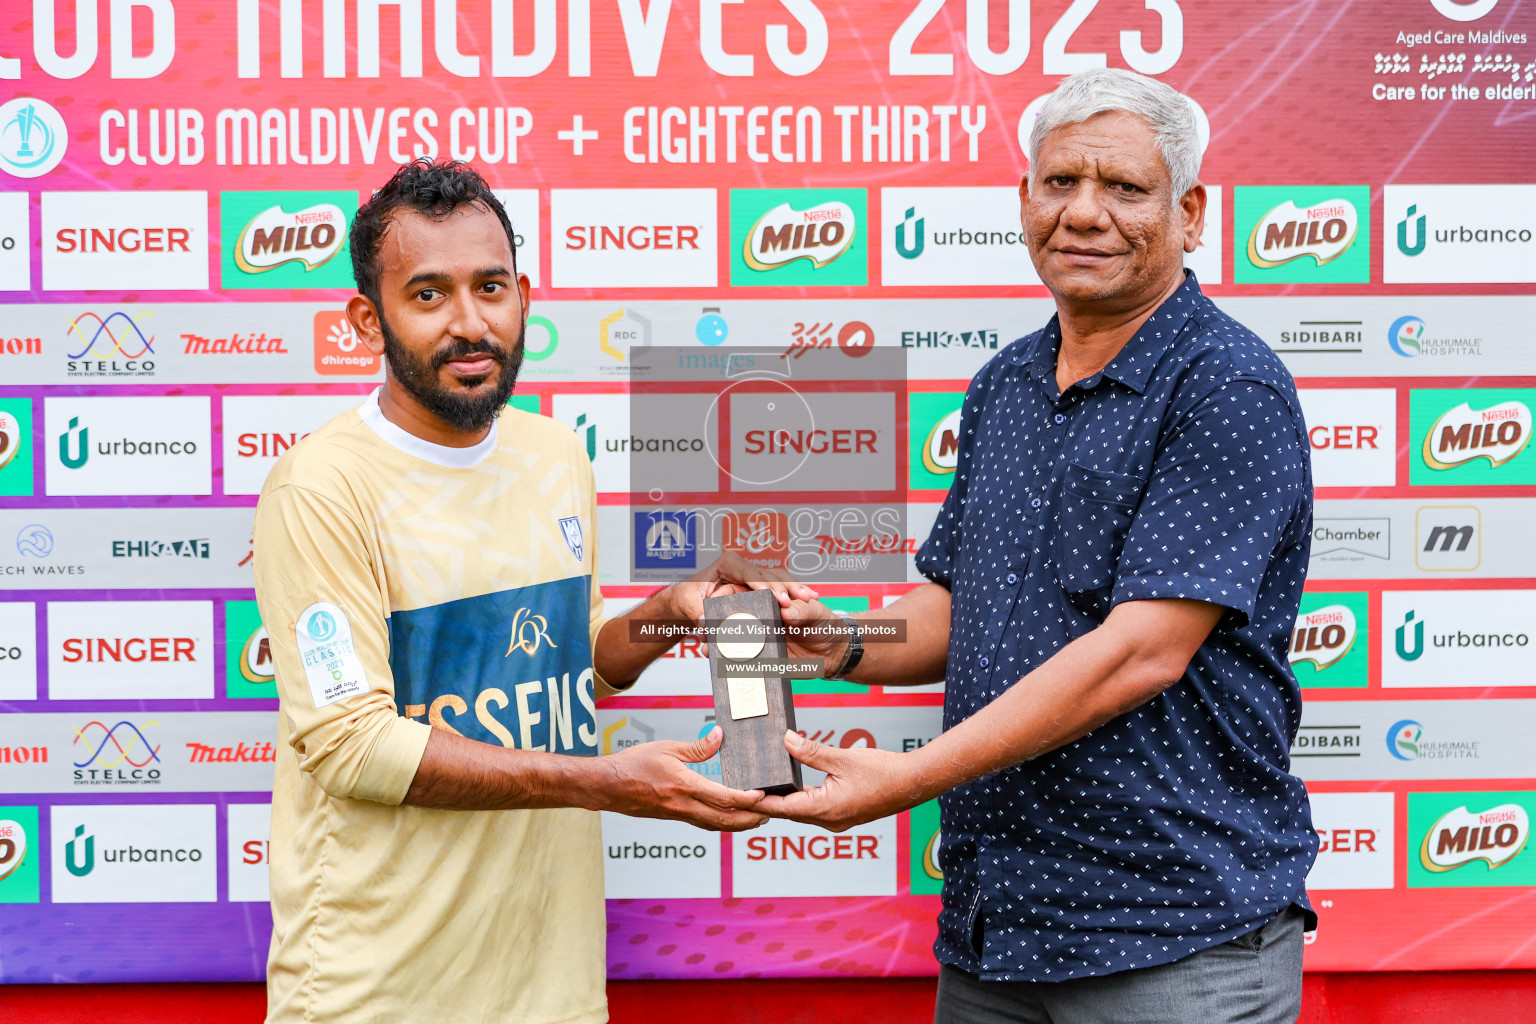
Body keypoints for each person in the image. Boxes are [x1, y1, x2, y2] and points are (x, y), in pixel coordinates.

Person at [759, 68, 1318, 1023]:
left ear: (1189, 214)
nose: (1084, 213)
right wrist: (842, 643)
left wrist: (907, 781)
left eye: (1124, 188)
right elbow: (953, 605)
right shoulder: (1005, 384)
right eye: (1059, 183)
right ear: (1024, 202)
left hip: (1169, 937)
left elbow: (1141, 652)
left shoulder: (1228, 390)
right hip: (998, 930)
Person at [252, 159, 807, 1024]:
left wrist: (664, 615)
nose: (471, 323)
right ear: (370, 319)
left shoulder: (554, 454)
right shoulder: (320, 487)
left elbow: (573, 661)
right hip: (381, 993)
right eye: (429, 295)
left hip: (552, 985)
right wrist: (605, 783)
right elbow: (352, 746)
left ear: (524, 297)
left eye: (491, 287)